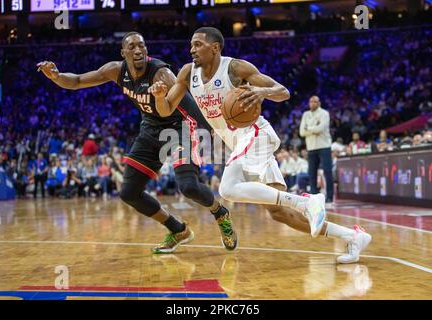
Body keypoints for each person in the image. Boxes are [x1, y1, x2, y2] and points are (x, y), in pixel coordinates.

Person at [149, 27, 371, 263]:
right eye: (191, 44)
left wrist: (260, 91)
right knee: (280, 213)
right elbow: (166, 110)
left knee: (227, 189)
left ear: (215, 47)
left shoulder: (235, 68)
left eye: (197, 44)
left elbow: (283, 92)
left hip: (256, 133)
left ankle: (308, 201)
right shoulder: (186, 73)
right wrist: (161, 97)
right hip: (242, 144)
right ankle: (353, 237)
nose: (191, 49)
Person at [37, 31, 237, 254]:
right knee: (129, 192)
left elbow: (190, 104)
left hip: (180, 127)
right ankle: (177, 229)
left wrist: (208, 131)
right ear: (123, 53)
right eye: (131, 47)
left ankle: (220, 213)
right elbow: (77, 81)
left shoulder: (162, 73)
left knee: (188, 186)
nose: (138, 50)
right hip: (151, 128)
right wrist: (55, 76)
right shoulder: (115, 70)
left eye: (141, 45)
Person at [299, 96, 334, 204]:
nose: (312, 103)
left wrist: (308, 129)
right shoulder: (306, 114)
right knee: (312, 173)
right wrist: (314, 130)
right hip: (311, 147)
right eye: (311, 102)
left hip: (324, 146)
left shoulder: (324, 113)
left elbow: (321, 129)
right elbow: (301, 132)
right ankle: (314, 196)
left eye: (315, 101)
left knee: (328, 171)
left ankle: (329, 197)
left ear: (319, 103)